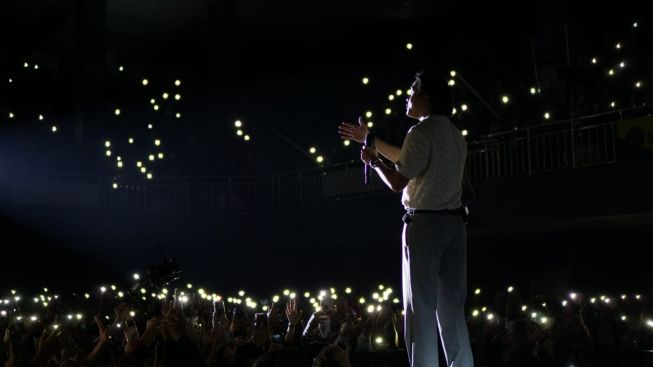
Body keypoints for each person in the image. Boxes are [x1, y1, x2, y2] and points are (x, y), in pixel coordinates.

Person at [338, 71, 473, 367]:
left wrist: (374, 162)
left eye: (412, 91)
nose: (407, 96)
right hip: (454, 225)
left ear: (426, 97)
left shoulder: (420, 133)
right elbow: (407, 157)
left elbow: (399, 179)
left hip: (424, 225)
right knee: (452, 309)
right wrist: (371, 139)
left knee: (420, 308)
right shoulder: (453, 132)